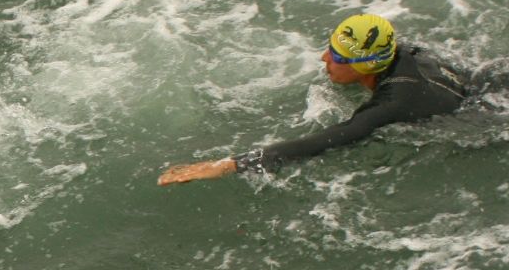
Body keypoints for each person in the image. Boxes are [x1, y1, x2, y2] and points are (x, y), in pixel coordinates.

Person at [158, 12, 472, 185]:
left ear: (364, 66)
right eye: (330, 47)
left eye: (337, 56)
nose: (324, 58)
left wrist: (226, 166)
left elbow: (328, 140)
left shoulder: (394, 103)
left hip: (483, 114)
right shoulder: (396, 52)